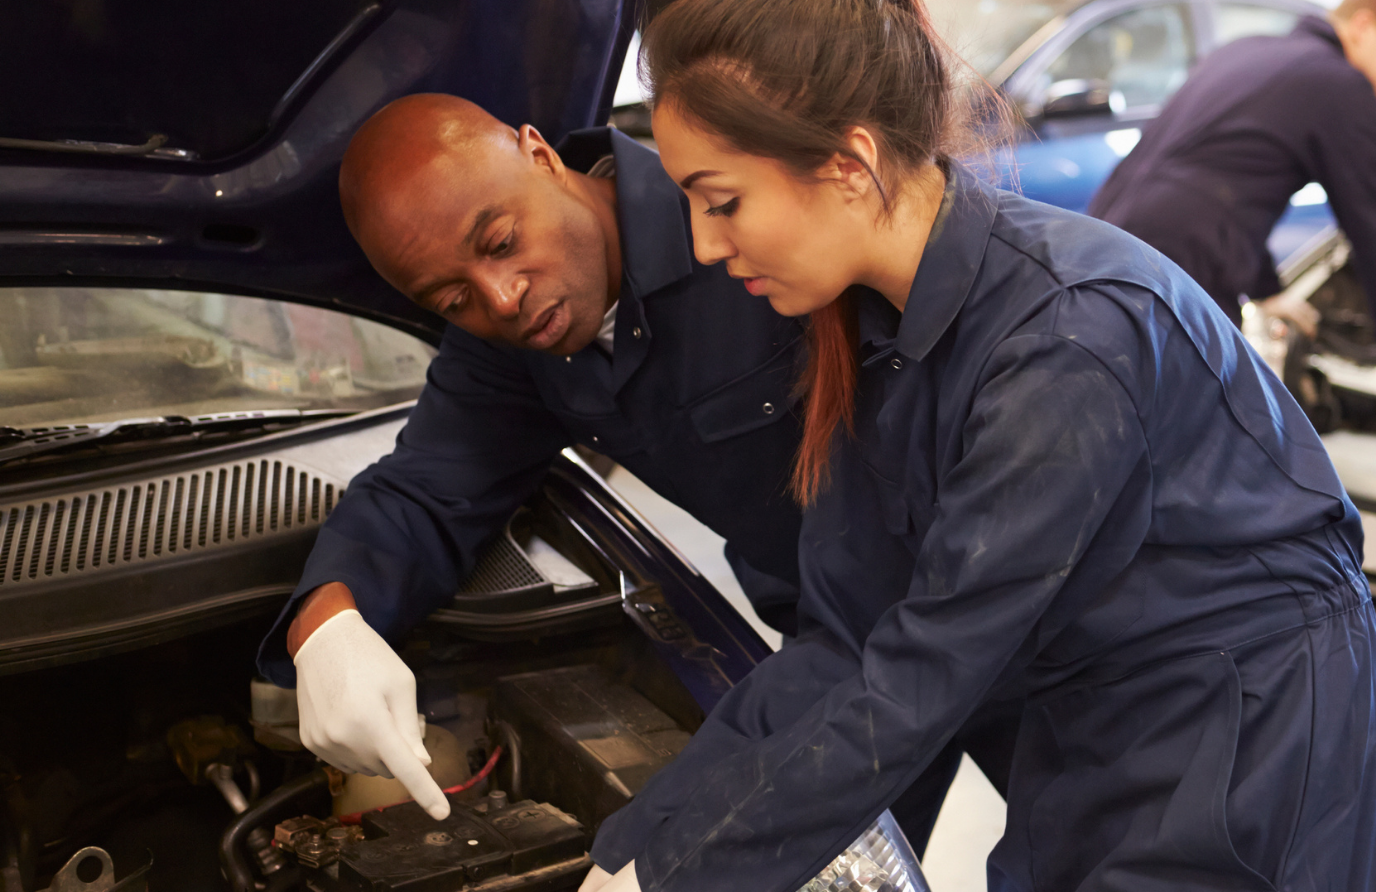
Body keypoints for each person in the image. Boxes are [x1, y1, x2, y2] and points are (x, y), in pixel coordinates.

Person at [572, 0, 1376, 892]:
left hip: (1245, 738)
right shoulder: (875, 335)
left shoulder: (1066, 339)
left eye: (722, 201)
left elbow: (924, 667)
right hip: (1091, 724)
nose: (703, 244)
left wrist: (681, 875)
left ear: (847, 164)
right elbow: (846, 640)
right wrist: (640, 845)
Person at [257, 94, 1015, 853]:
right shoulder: (516, 351)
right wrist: (328, 624)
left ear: (540, 155)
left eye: (501, 240)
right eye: (454, 299)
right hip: (844, 652)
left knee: (1082, 887)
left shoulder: (740, 219)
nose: (502, 298)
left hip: (1019, 596)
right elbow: (425, 488)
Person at [1088, 0, 1376, 377]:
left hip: (1106, 237)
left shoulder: (1248, 50)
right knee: (1192, 418)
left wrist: (1267, 290)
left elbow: (1228, 182)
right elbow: (1374, 220)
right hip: (1179, 268)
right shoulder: (1341, 86)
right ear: (1363, 26)